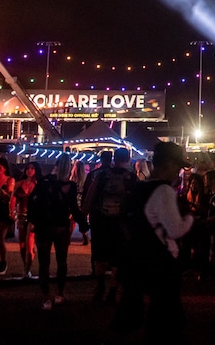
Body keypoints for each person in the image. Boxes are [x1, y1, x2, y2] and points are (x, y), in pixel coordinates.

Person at [112, 141, 195, 345]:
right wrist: (190, 219)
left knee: (155, 315)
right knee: (167, 318)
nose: (178, 172)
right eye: (177, 166)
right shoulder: (164, 191)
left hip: (139, 258)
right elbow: (175, 229)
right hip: (161, 261)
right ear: (168, 164)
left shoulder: (139, 188)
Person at [28, 154, 85, 310]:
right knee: (61, 260)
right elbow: (73, 207)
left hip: (44, 226)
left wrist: (33, 220)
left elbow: (32, 201)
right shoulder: (70, 186)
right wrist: (83, 224)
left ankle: (46, 297)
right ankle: (60, 294)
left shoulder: (44, 182)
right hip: (61, 226)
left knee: (44, 263)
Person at [82, 147, 136, 302]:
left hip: (101, 220)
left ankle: (99, 287)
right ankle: (112, 290)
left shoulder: (101, 175)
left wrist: (84, 216)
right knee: (118, 258)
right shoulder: (131, 178)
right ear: (128, 159)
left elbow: (90, 197)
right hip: (121, 222)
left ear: (114, 159)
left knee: (100, 255)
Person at [13, 161, 40, 279]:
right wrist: (11, 211)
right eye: (28, 168)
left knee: (30, 243)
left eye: (32, 168)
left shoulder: (38, 185)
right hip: (21, 215)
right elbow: (13, 199)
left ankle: (28, 269)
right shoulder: (19, 184)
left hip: (33, 216)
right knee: (22, 244)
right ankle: (25, 267)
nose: (29, 170)